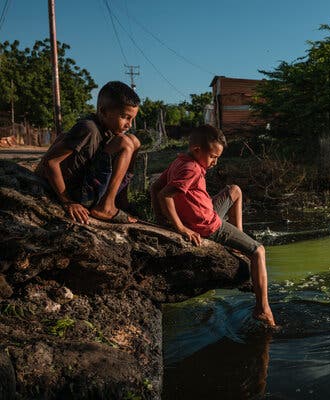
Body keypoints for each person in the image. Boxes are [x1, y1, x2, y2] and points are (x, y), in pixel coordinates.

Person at [151, 125, 276, 327]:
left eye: (217, 158)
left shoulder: (180, 161)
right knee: (259, 251)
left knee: (234, 190)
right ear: (197, 150)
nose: (215, 162)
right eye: (212, 157)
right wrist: (180, 228)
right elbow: (165, 194)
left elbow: (155, 187)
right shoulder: (191, 169)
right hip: (207, 225)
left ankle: (237, 239)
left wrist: (162, 221)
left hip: (205, 212)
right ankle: (263, 308)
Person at [36, 81, 141, 224]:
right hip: (76, 192)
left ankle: (120, 200)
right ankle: (105, 207)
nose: (129, 124)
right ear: (103, 112)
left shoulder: (107, 129)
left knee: (134, 141)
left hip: (88, 186)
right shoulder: (88, 128)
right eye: (125, 117)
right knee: (125, 143)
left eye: (132, 119)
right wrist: (68, 201)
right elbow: (50, 161)